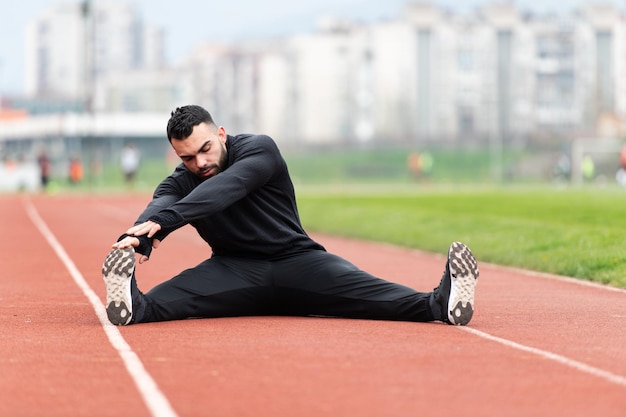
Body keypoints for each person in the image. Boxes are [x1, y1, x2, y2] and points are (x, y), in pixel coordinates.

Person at [102, 105, 479, 327]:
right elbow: (159, 202)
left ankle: (442, 302)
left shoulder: (258, 150)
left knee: (382, 297)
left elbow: (226, 189)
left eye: (205, 149)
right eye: (187, 158)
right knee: (163, 303)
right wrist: (139, 236)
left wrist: (167, 222)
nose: (199, 163)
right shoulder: (181, 182)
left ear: (220, 133)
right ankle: (131, 304)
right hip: (233, 270)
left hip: (299, 262)